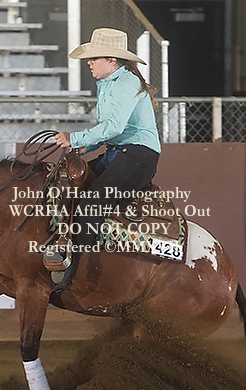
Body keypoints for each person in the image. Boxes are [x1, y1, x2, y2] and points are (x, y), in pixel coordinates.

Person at [53, 27, 161, 295]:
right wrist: (83, 145)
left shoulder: (126, 83)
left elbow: (113, 127)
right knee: (67, 186)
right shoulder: (110, 83)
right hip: (121, 152)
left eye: (94, 58)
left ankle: (76, 271)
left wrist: (75, 138)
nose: (89, 63)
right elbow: (111, 130)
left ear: (111, 60)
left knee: (92, 201)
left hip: (138, 155)